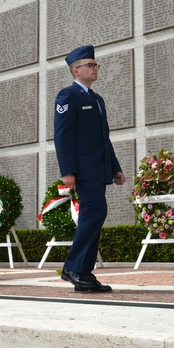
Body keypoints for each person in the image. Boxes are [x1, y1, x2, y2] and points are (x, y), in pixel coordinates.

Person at [52, 46, 126, 292]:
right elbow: (62, 137)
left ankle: (83, 272)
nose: (95, 69)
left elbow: (104, 138)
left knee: (95, 215)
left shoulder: (96, 99)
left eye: (96, 65)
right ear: (76, 70)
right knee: (93, 213)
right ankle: (73, 268)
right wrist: (67, 171)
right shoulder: (68, 96)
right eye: (90, 65)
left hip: (99, 168)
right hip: (83, 169)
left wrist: (115, 168)